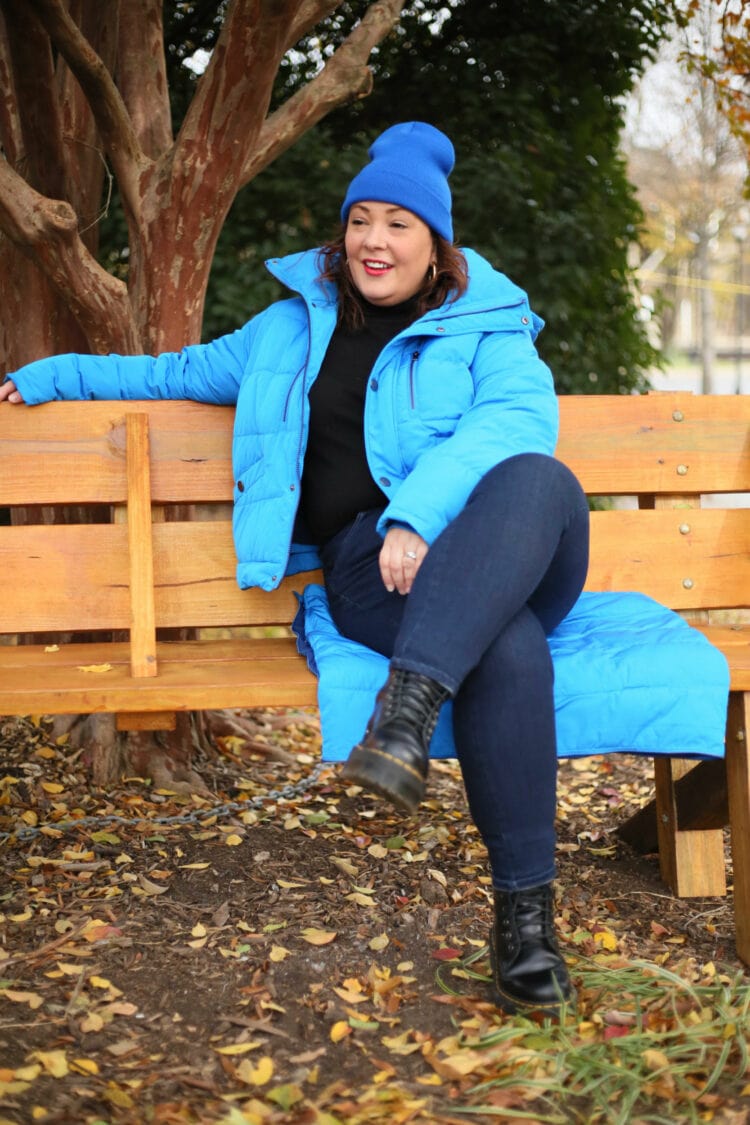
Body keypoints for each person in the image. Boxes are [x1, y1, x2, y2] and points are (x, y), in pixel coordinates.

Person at [1, 122, 590, 1019]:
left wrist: (417, 515)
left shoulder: (492, 328)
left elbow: (511, 427)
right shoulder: (287, 331)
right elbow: (172, 372)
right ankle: (527, 928)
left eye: (400, 223)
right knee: (505, 650)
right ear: (342, 232)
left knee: (540, 478)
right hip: (371, 572)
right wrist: (48, 376)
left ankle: (406, 711)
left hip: (497, 547)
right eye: (363, 219)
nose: (375, 241)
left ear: (437, 246)